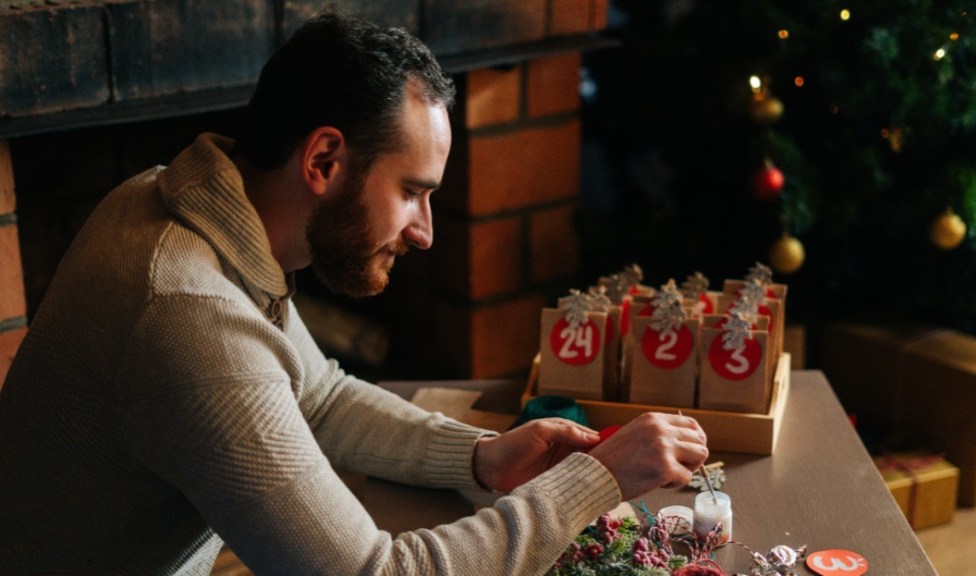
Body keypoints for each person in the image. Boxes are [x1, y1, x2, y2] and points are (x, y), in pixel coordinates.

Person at [0, 9, 708, 576]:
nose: (426, 232)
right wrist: (596, 479)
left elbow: (321, 395)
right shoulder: (188, 315)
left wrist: (480, 456)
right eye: (411, 192)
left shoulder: (178, 202)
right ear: (324, 160)